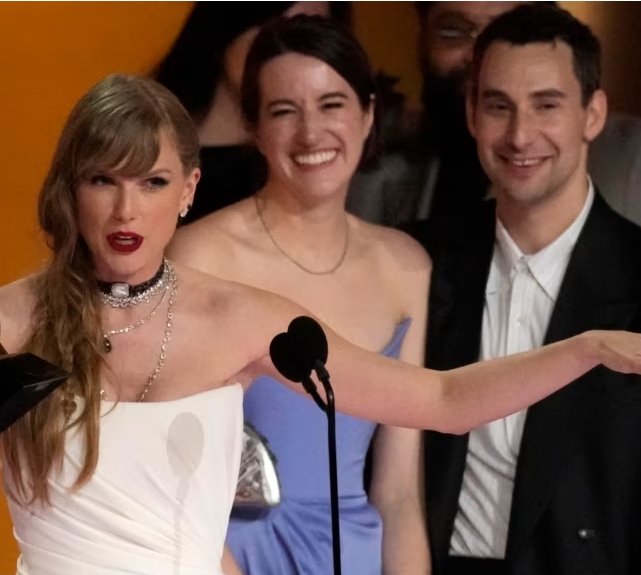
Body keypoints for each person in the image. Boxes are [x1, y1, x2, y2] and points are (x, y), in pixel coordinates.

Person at [0, 73, 641, 575]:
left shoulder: (237, 317)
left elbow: (440, 398)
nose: (126, 208)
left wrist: (584, 347)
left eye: (151, 182)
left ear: (187, 190)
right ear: (69, 188)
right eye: (102, 181)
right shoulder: (1, 318)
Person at [404, 5, 641, 574]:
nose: (519, 135)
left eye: (547, 105)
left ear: (593, 114)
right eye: (497, 106)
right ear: (470, 114)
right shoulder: (417, 262)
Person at [167, 15, 429, 575]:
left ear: (368, 113)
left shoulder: (406, 268)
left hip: (354, 555)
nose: (312, 133)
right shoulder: (199, 258)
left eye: (332, 104)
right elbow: (170, 476)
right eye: (285, 111)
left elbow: (400, 493)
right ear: (253, 126)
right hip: (224, 558)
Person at [346, 1, 641, 295]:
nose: (484, 57)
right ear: (421, 40)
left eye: (511, 30)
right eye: (454, 31)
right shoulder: (382, 170)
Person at [154, 2, 349, 225]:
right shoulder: (139, 144)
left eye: (312, 37)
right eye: (271, 29)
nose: (289, 55)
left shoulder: (330, 157)